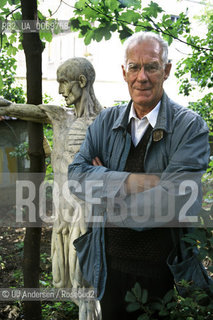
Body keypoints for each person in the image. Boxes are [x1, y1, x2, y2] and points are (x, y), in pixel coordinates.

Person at [68, 31, 210, 319]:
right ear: (124, 72)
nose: (141, 77)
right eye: (134, 67)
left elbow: (174, 204)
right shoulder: (106, 122)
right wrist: (130, 181)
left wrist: (104, 189)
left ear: (166, 70)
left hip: (162, 274)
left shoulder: (189, 128)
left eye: (152, 66)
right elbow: (75, 177)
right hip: (107, 267)